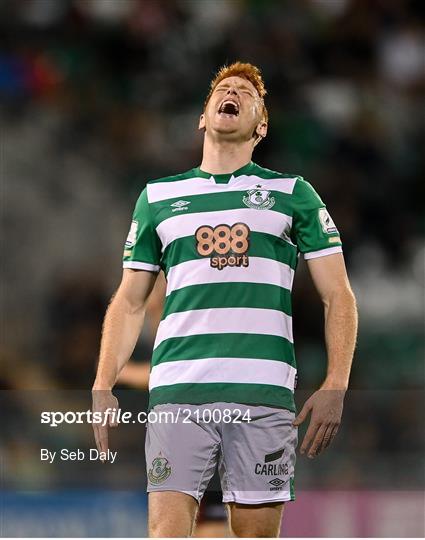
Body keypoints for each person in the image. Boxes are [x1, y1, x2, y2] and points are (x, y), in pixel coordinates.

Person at [92, 62, 358, 538]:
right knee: (166, 533)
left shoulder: (292, 194)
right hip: (178, 392)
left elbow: (338, 295)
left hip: (263, 393)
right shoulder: (157, 197)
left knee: (254, 535)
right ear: (203, 115)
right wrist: (103, 381)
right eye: (223, 88)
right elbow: (130, 302)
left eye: (245, 91)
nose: (231, 91)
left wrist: (336, 382)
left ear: (261, 125)